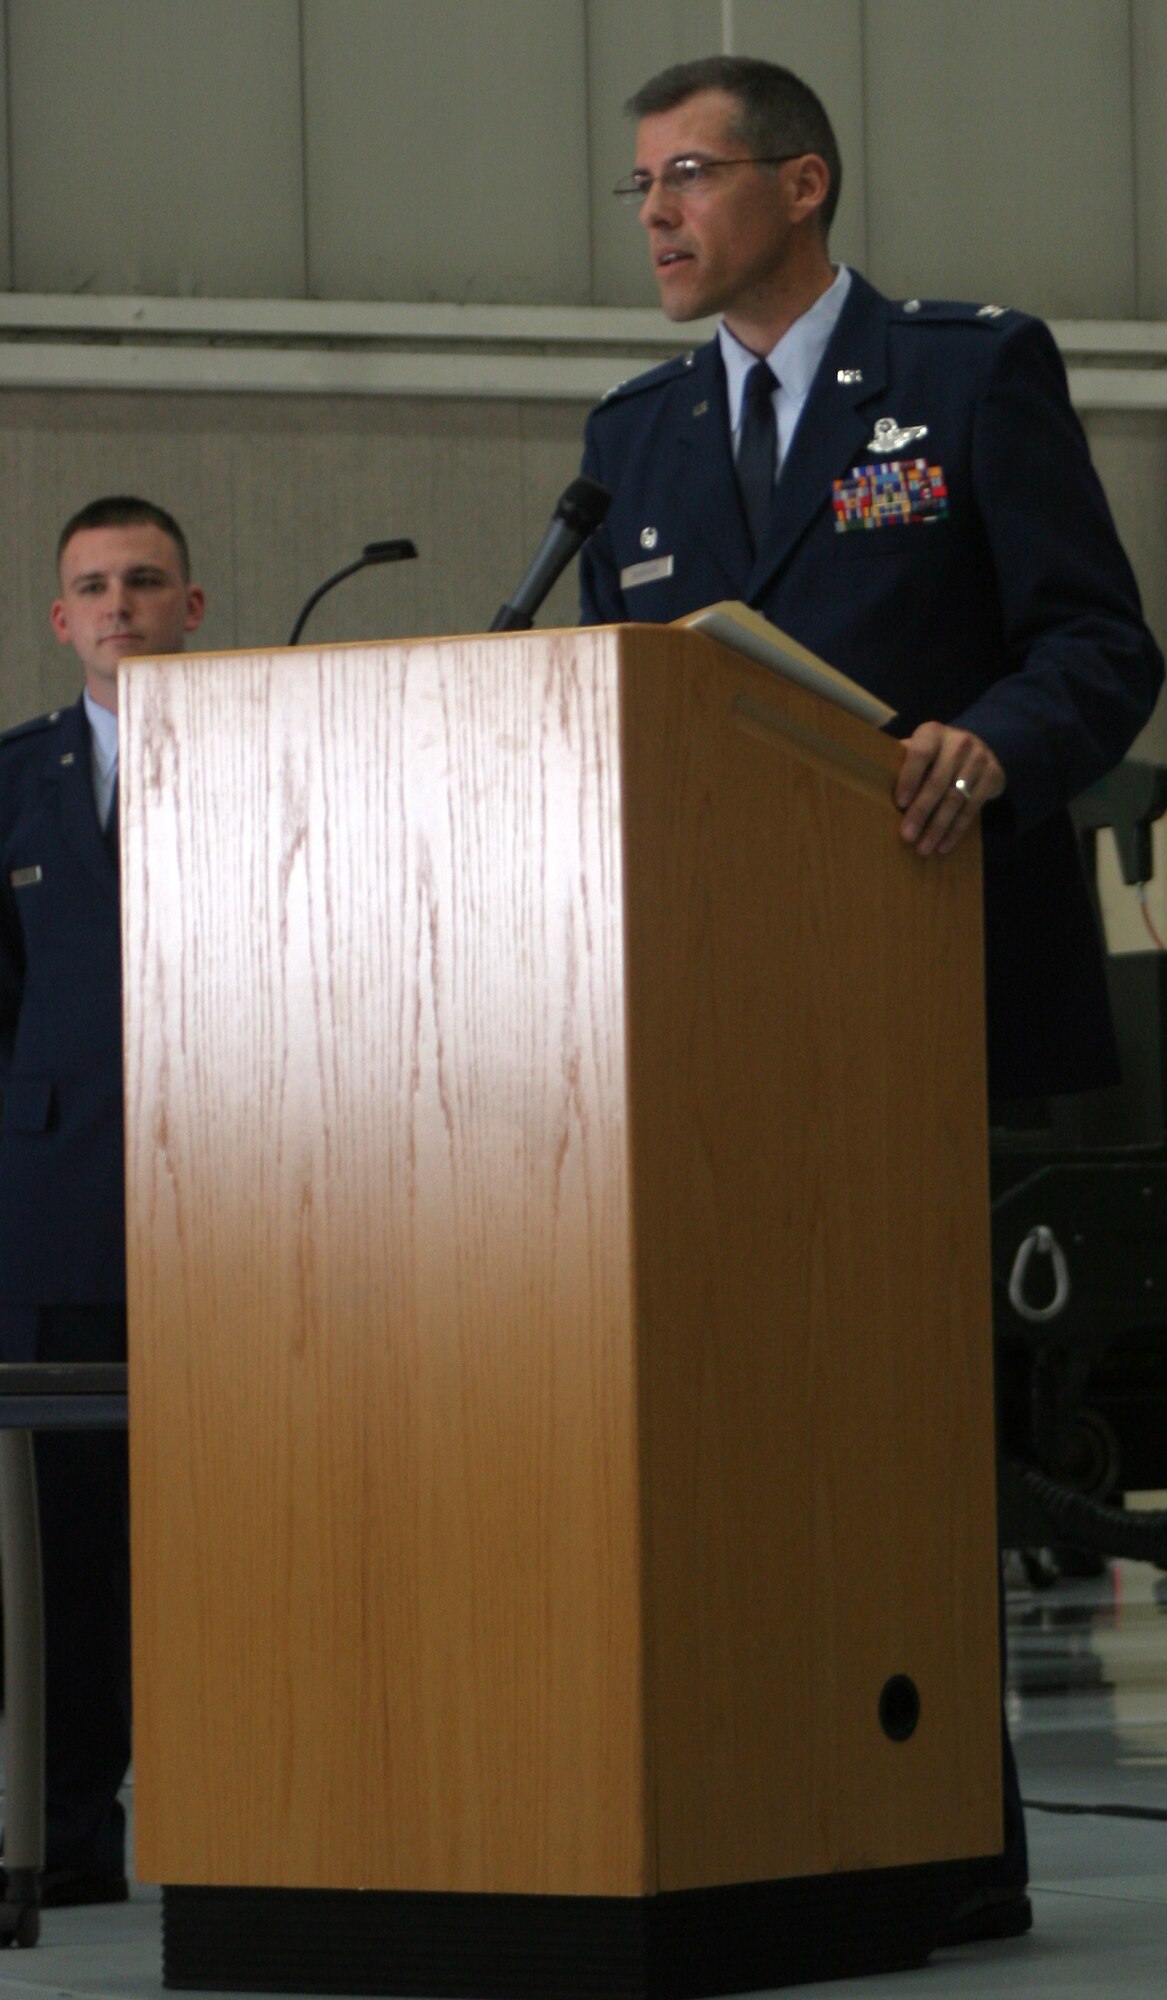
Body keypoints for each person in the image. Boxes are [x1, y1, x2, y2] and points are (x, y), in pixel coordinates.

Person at [578, 54, 1164, 1944]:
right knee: (739, 1420)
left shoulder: (969, 374)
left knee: (901, 1419)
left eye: (689, 174)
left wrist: (993, 747)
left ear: (803, 184)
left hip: (925, 978)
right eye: (641, 185)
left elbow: (1099, 642)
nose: (658, 214)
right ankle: (773, 1798)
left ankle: (938, 1828)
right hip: (703, 1015)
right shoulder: (636, 432)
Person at [0, 496, 206, 1905]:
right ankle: (67, 1840)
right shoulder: (11, 779)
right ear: (60, 619)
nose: (119, 603)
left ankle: (254, 1831)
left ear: (192, 606)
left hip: (242, 1201)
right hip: (60, 1205)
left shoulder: (283, 749)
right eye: (93, 586)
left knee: (237, 1535)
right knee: (67, 1552)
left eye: (145, 581)